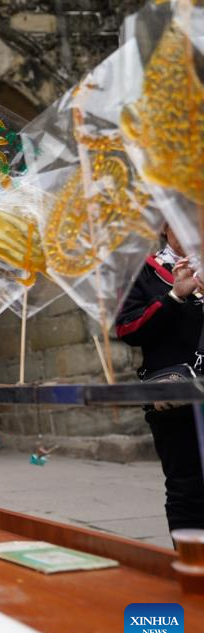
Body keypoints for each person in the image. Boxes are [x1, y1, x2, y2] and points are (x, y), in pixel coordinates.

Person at [116, 224, 204, 533]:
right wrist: (175, 296)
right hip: (175, 399)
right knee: (187, 489)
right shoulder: (141, 271)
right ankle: (193, 560)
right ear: (166, 225)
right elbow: (128, 329)